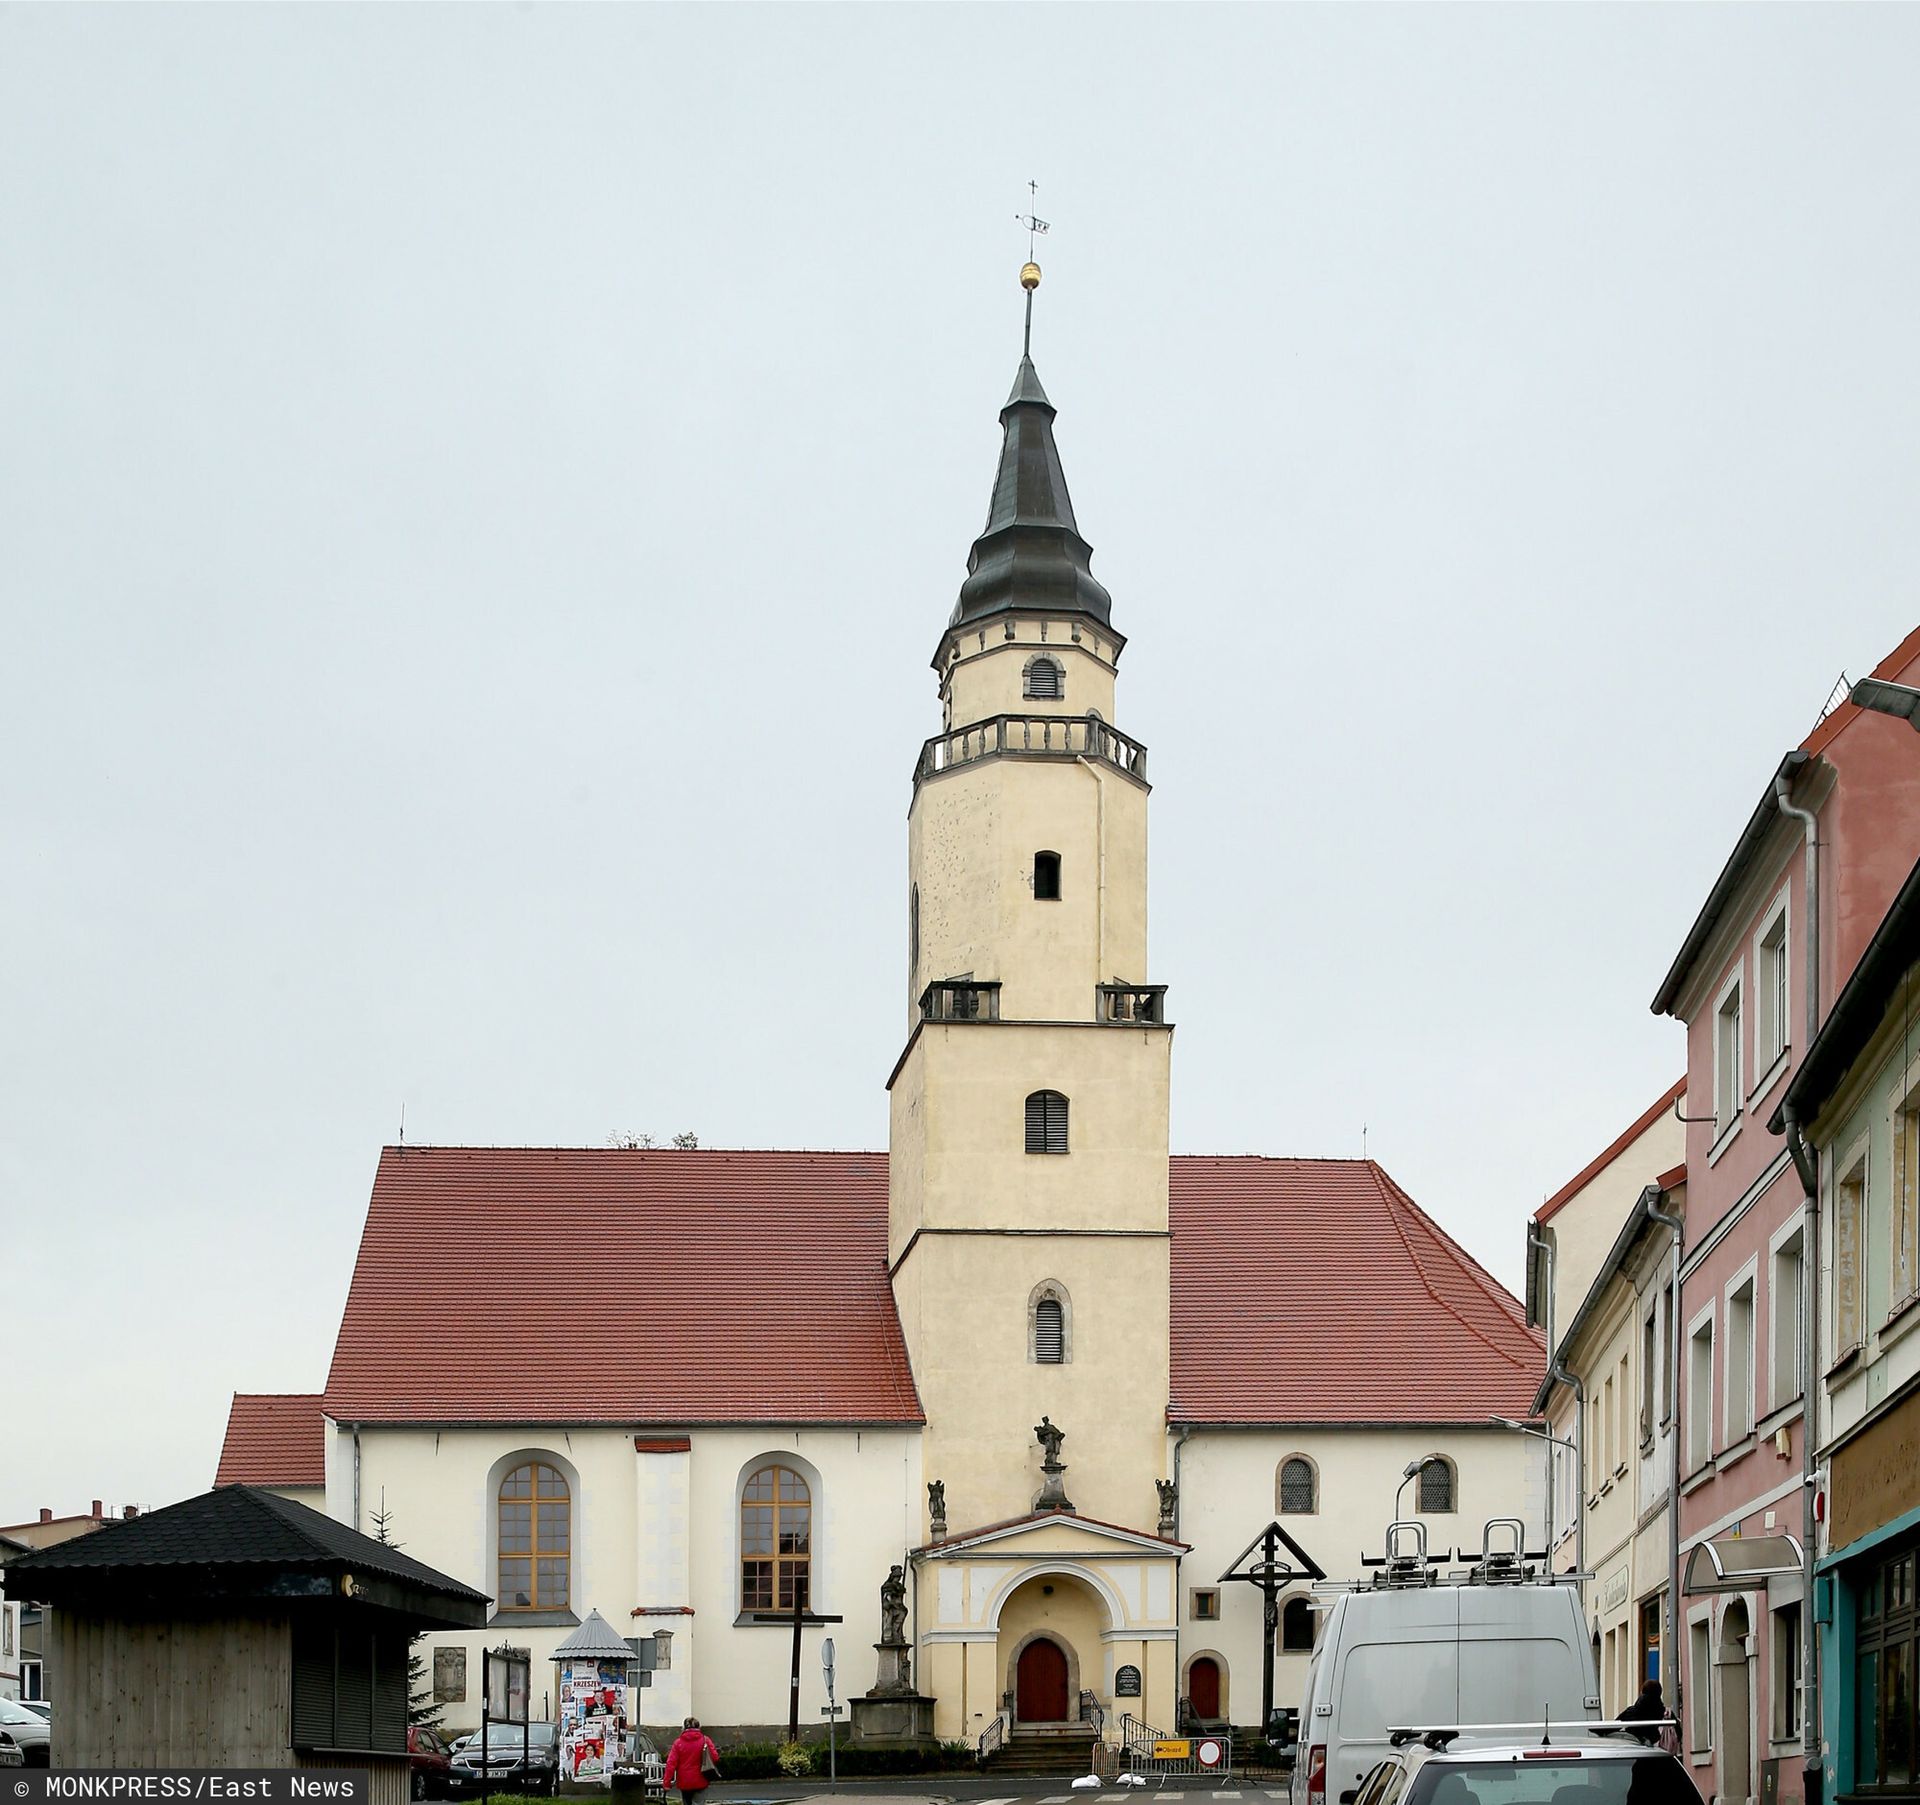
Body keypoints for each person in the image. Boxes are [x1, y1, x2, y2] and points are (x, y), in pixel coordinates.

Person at [665, 1716, 721, 1804]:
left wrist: (667, 1783)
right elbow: (715, 1757)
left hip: (684, 1781)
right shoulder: (705, 1740)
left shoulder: (678, 1743)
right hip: (701, 1779)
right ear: (698, 1727)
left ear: (684, 1728)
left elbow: (671, 1764)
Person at [1617, 1679, 1669, 1747]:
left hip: (1633, 1748)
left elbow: (1614, 1726)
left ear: (1642, 1692)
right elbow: (1678, 1734)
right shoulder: (1666, 1713)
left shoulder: (1631, 1712)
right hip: (1659, 1751)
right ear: (1660, 1693)